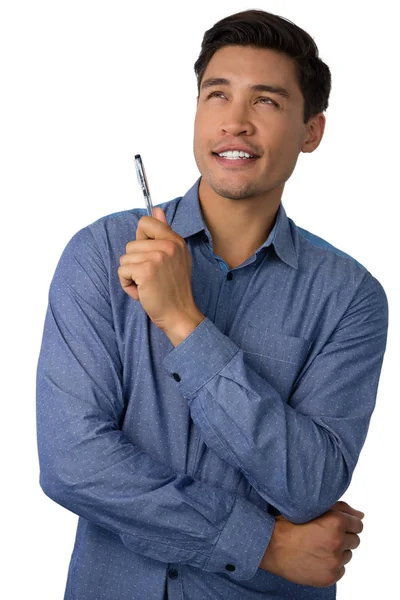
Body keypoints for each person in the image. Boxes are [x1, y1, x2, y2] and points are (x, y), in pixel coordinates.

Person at [36, 9, 388, 600]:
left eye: (267, 102)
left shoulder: (350, 297)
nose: (236, 122)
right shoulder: (100, 253)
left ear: (311, 131)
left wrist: (182, 320)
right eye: (216, 95)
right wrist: (263, 544)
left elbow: (307, 485)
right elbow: (73, 462)